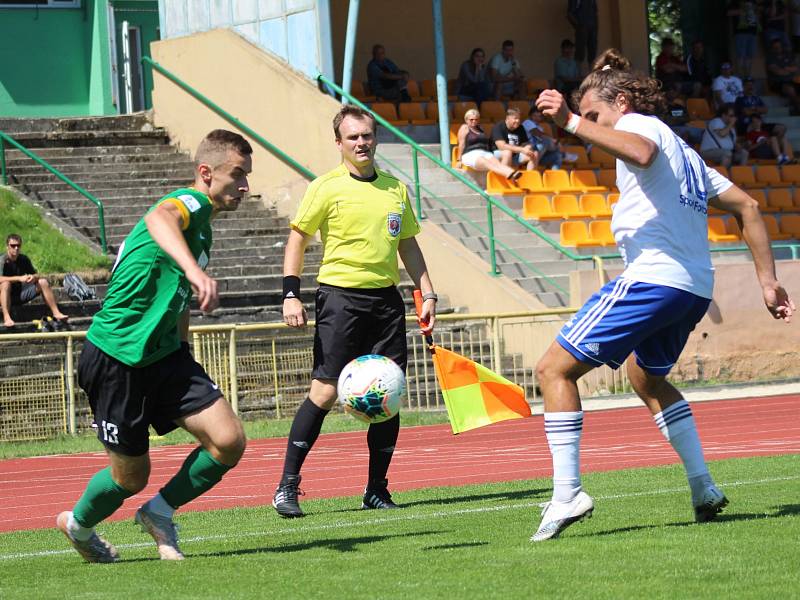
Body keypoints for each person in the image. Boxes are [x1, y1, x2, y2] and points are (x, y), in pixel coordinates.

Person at [532, 48, 794, 542]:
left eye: (595, 116)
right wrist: (766, 279)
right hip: (693, 288)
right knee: (646, 377)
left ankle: (567, 493)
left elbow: (640, 151)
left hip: (655, 279)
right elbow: (749, 206)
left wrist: (569, 121)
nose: (590, 127)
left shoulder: (646, 130)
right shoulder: (689, 158)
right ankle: (703, 487)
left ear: (623, 102)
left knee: (552, 370)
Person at [56, 129, 252, 562]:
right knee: (130, 477)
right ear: (205, 173)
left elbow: (176, 296)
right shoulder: (189, 203)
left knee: (228, 440)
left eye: (247, 176)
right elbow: (158, 218)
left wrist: (183, 347)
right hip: (116, 357)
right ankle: (79, 526)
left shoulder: (203, 236)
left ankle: (159, 514)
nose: (244, 186)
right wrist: (198, 274)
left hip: (166, 358)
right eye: (237, 174)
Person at [272, 105, 437, 518]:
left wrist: (427, 292)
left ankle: (377, 489)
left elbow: (408, 245)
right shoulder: (325, 187)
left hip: (386, 302)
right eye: (352, 137)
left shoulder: (395, 190)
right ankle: (286, 486)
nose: (361, 143)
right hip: (340, 300)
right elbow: (298, 240)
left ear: (375, 138)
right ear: (339, 143)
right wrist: (290, 294)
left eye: (367, 135)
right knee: (324, 392)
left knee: (390, 394)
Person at [1, 234, 69, 329]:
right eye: (13, 246)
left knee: (43, 282)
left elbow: (36, 274)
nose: (16, 248)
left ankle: (56, 313)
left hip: (20, 294)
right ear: (7, 246)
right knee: (5, 284)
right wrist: (19, 278)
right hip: (4, 296)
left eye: (18, 246)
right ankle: (7, 317)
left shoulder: (23, 259)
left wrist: (33, 277)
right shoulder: (2, 260)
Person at [456, 108, 523, 180]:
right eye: (471, 119)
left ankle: (510, 173)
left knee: (496, 162)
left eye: (476, 119)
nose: (474, 121)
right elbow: (461, 144)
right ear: (466, 120)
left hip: (484, 152)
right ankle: (508, 173)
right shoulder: (464, 128)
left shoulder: (480, 128)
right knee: (485, 161)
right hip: (470, 153)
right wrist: (459, 160)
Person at [492, 107, 537, 171]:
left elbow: (525, 143)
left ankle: (529, 179)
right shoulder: (498, 126)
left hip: (515, 155)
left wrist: (528, 147)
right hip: (498, 155)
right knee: (508, 153)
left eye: (519, 119)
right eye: (515, 118)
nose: (518, 121)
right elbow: (501, 146)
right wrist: (522, 149)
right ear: (507, 118)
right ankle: (503, 177)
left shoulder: (520, 128)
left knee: (534, 154)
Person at [765, 38, 800, 113]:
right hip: (776, 83)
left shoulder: (788, 56)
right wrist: (789, 70)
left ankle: (794, 105)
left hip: (791, 81)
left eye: (779, 47)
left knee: (794, 87)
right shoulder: (770, 58)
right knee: (790, 89)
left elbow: (795, 68)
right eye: (775, 47)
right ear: (772, 48)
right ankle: (796, 107)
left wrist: (785, 69)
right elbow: (778, 72)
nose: (777, 49)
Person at [727, 0, 761, 77]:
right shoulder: (735, 2)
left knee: (750, 56)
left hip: (753, 33)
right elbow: (728, 13)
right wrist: (744, 10)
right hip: (740, 32)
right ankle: (740, 76)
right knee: (740, 56)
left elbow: (758, 12)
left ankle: (748, 77)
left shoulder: (753, 2)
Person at [567, 0, 598, 68]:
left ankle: (592, 75)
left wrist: (595, 26)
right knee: (580, 51)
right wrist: (579, 26)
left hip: (592, 28)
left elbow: (595, 12)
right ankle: (577, 73)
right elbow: (570, 14)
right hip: (582, 27)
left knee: (592, 51)